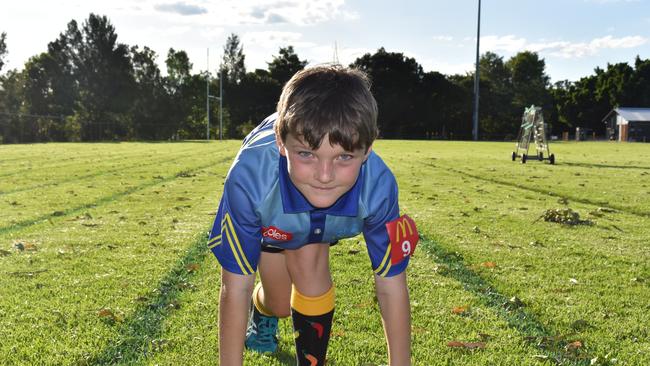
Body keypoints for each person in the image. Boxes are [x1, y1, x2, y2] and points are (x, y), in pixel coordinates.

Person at [208, 64, 418, 365]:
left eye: (344, 157)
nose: (324, 175)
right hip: (275, 217)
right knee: (279, 304)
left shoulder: (379, 187)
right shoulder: (250, 180)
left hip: (317, 222)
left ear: (368, 150)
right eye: (307, 153)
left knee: (310, 260)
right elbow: (236, 284)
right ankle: (263, 309)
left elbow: (391, 285)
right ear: (282, 144)